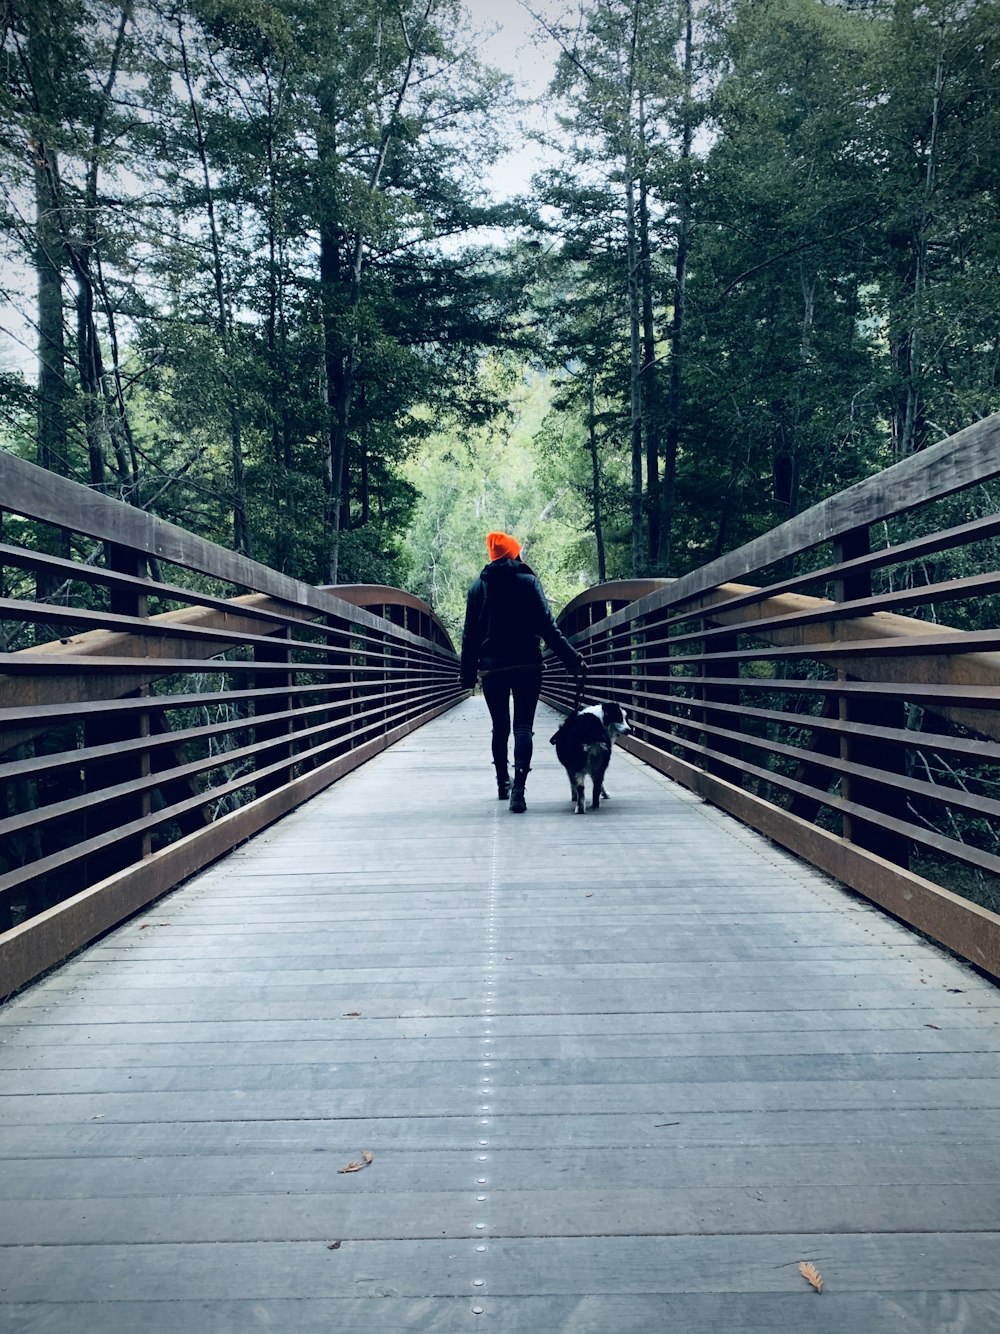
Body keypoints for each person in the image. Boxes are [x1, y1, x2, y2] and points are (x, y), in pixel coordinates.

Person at [460, 531, 586, 813]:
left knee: (500, 727)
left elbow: (470, 636)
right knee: (522, 728)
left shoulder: (477, 588)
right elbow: (548, 629)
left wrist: (467, 673)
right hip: (528, 665)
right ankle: (519, 789)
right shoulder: (529, 583)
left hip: (492, 670)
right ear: (514, 554)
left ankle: (501, 782)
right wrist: (572, 659)